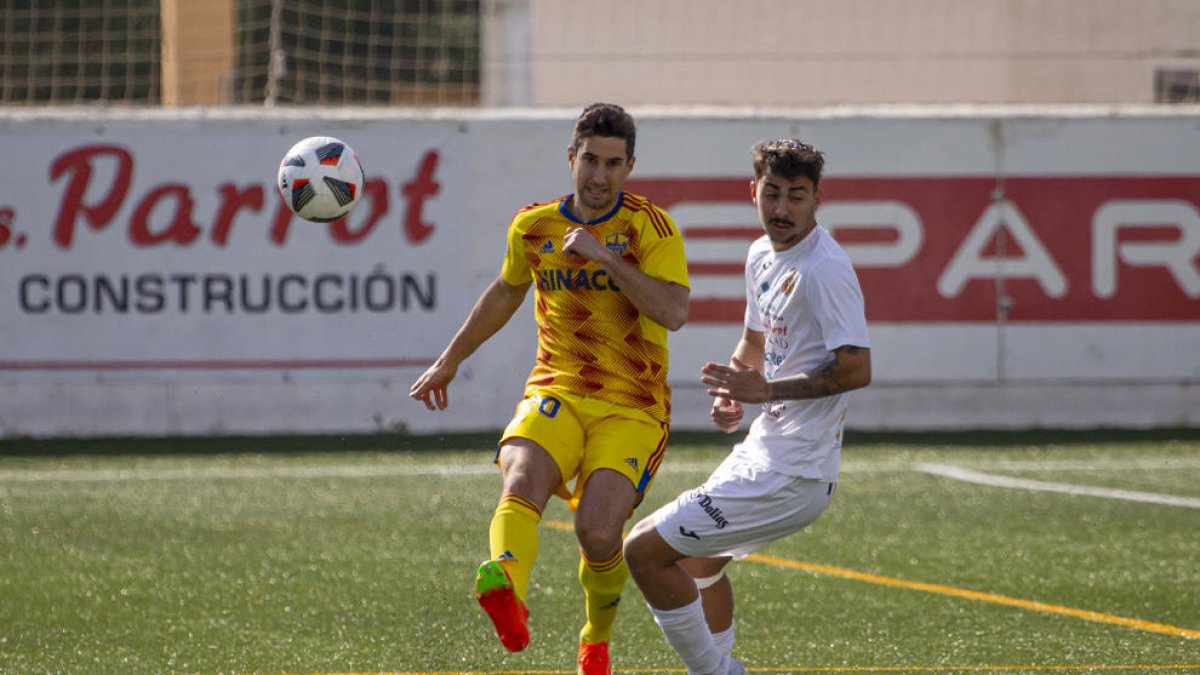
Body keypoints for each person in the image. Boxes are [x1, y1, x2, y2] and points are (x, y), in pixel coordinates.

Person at [409, 102, 690, 675]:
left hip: (631, 406)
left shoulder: (648, 228)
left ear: (629, 166)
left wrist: (604, 257)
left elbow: (674, 311)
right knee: (520, 473)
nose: (599, 175)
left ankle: (596, 638)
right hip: (556, 388)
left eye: (613, 164)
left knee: (597, 530)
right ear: (571, 157)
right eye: (590, 159)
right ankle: (506, 585)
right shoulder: (533, 225)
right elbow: (507, 291)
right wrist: (449, 361)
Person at [623, 138, 871, 675]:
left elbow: (856, 369)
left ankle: (717, 673)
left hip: (794, 472)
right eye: (773, 193)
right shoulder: (761, 254)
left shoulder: (824, 269)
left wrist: (768, 392)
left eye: (797, 197)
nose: (782, 209)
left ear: (817, 201)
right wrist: (731, 391)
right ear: (753, 191)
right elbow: (754, 345)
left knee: (642, 551)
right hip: (765, 452)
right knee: (696, 565)